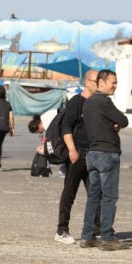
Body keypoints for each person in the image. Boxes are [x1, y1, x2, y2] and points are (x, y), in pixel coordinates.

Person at [34, 70, 100, 245]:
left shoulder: (97, 102)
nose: (99, 83)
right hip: (76, 155)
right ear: (87, 82)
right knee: (69, 193)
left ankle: (98, 229)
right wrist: (72, 150)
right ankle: (62, 230)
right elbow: (66, 127)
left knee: (95, 193)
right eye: (96, 80)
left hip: (92, 154)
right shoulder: (77, 102)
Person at [79, 69, 129, 251]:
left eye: (116, 83)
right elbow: (123, 120)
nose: (115, 86)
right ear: (101, 83)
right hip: (107, 153)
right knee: (109, 197)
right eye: (112, 83)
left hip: (92, 154)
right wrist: (115, 124)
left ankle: (87, 236)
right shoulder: (104, 102)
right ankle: (107, 237)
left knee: (93, 196)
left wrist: (112, 124)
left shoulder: (89, 102)